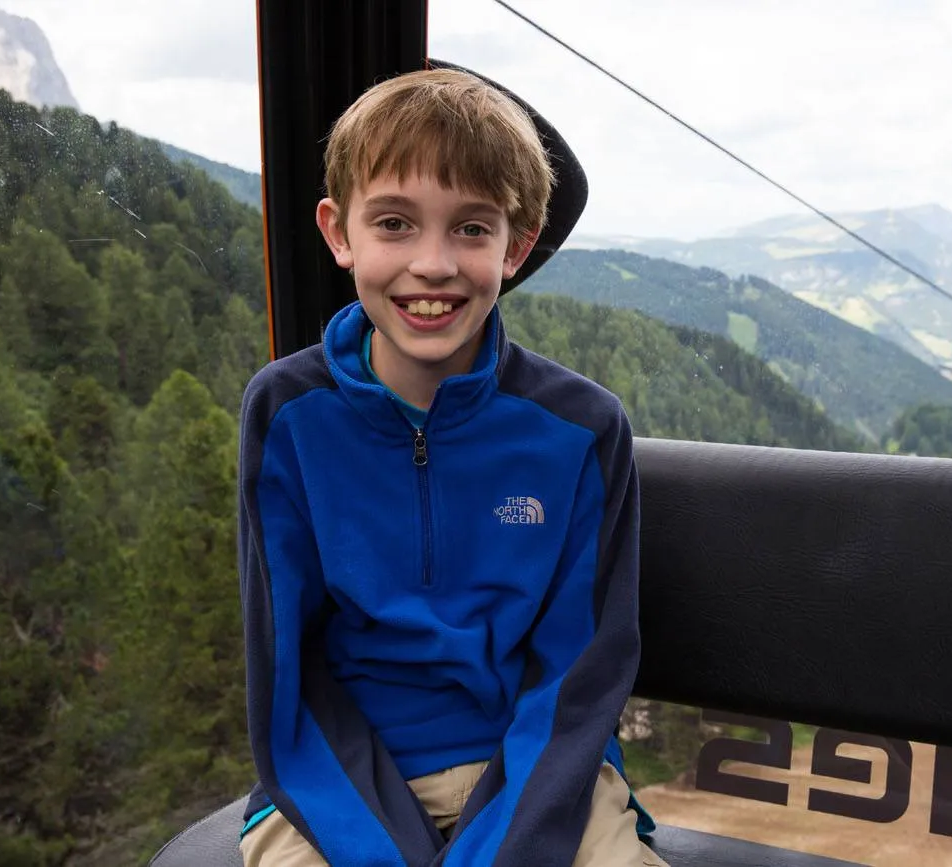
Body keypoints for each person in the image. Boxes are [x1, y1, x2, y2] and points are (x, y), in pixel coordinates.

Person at [235, 63, 667, 867]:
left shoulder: (579, 431)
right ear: (339, 232)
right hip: (333, 785)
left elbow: (577, 674)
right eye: (395, 223)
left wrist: (504, 848)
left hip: (537, 777)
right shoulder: (289, 417)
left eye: (471, 228)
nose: (432, 264)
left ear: (516, 246)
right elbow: (288, 671)